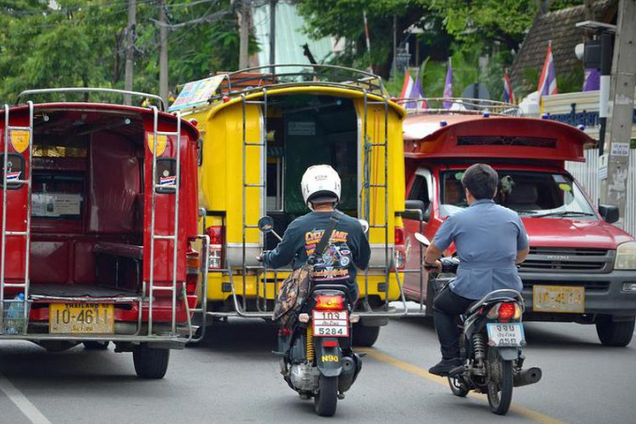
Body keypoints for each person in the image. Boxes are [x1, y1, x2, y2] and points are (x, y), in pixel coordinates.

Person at [424, 163, 530, 376]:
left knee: (441, 307)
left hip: (470, 288)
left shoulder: (457, 218)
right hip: (508, 288)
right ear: (494, 190)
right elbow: (523, 252)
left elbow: (433, 251)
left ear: (467, 191)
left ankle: (450, 358)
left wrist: (430, 262)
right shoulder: (512, 216)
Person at [261, 164, 370, 303]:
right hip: (346, 294)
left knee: (287, 316)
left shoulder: (297, 226)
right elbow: (363, 262)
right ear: (337, 188)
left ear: (306, 191)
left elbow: (280, 258)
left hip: (306, 295)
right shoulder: (354, 225)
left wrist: (266, 257)